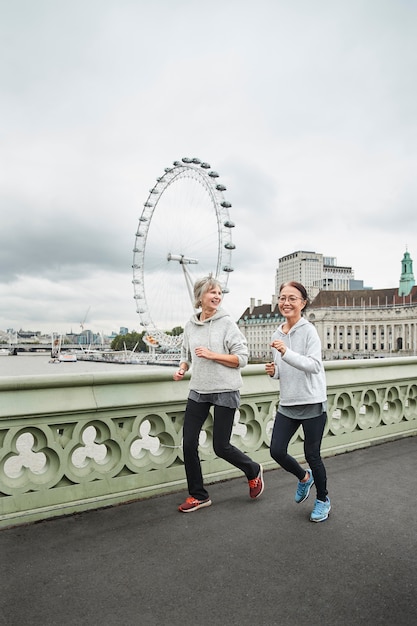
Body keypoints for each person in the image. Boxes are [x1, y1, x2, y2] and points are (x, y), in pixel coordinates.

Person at [173, 274, 264, 512]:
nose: (217, 296)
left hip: (225, 389)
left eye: (219, 292)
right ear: (200, 297)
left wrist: (214, 355)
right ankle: (198, 495)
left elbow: (242, 358)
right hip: (198, 390)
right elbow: (186, 355)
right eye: (212, 292)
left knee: (220, 446)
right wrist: (182, 368)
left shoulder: (227, 324)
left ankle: (252, 469)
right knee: (188, 442)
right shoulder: (190, 324)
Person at [265, 281, 331, 522]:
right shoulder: (277, 333)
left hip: (312, 401)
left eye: (292, 298)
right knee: (276, 450)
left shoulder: (309, 331)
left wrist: (285, 353)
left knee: (312, 455)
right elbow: (284, 371)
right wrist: (274, 371)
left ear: (303, 303)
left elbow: (313, 366)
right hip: (288, 402)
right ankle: (305, 478)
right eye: (283, 298)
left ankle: (323, 499)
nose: (286, 302)